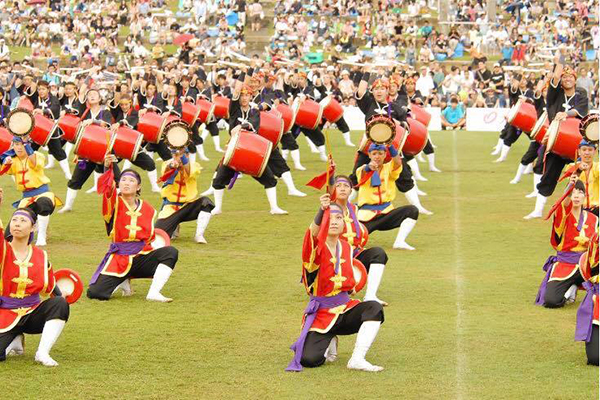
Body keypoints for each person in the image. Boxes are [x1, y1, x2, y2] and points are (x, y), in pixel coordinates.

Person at [285, 202, 385, 372]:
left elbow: (350, 277)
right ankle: (329, 337)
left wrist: (351, 285)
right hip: (322, 314)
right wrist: (320, 211)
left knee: (374, 308)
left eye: (338, 218)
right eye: (329, 218)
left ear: (344, 223)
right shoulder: (315, 248)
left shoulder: (346, 246)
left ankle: (357, 358)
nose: (334, 221)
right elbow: (312, 236)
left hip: (345, 309)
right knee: (309, 359)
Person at [87, 155, 179, 302]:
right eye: (123, 180)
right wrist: (107, 166)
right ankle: (123, 280)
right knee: (96, 293)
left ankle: (154, 293)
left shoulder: (148, 209)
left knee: (170, 252)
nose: (126, 183)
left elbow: (151, 237)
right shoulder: (113, 203)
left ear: (139, 186)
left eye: (131, 180)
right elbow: (107, 189)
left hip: (142, 256)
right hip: (119, 258)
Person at [0, 196, 70, 367]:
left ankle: (42, 352)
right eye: (14, 220)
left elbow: (51, 285)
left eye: (23, 220)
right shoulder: (3, 249)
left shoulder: (41, 255)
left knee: (59, 303)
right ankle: (15, 338)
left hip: (32, 312)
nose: (17, 223)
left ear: (34, 227)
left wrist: (64, 297)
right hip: (5, 313)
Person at [525, 63, 589, 219]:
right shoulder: (555, 94)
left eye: (570, 77)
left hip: (576, 143)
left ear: (575, 80)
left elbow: (581, 109)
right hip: (557, 143)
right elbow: (555, 76)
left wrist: (566, 113)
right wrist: (559, 61)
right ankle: (538, 210)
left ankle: (582, 212)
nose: (567, 79)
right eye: (564, 77)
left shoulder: (581, 95)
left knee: (582, 178)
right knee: (549, 176)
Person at [319, 174, 390, 305]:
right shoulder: (328, 208)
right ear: (333, 189)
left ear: (351, 190)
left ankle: (370, 296)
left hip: (354, 254)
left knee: (378, 253)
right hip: (334, 257)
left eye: (346, 186)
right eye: (338, 186)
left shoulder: (354, 208)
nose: (342, 188)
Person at [534, 180, 598, 308]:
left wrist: (589, 243)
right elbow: (564, 205)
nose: (575, 196)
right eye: (572, 193)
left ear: (584, 196)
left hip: (587, 265)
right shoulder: (562, 216)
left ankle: (578, 284)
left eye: (580, 192)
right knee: (551, 301)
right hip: (565, 265)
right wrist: (570, 186)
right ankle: (571, 287)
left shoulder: (594, 219)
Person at [355, 144, 419, 250]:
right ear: (369, 155)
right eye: (374, 154)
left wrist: (390, 147)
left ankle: (399, 242)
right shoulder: (362, 169)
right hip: (366, 216)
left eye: (380, 153)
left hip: (387, 212)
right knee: (354, 238)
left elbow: (398, 163)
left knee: (412, 210)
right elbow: (362, 173)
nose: (377, 156)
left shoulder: (388, 168)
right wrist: (368, 167)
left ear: (385, 155)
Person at [0, 137, 62, 246]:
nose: (19, 148)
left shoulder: (37, 155)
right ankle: (36, 224)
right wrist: (6, 163)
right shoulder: (12, 160)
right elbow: (2, 172)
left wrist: (27, 145)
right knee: (9, 235)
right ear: (12, 146)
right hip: (26, 198)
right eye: (16, 144)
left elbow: (33, 163)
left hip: (43, 193)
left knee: (44, 204)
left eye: (22, 145)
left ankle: (42, 237)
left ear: (28, 145)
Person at [155, 150, 214, 243]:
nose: (180, 157)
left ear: (188, 155)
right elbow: (166, 171)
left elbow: (189, 171)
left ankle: (199, 235)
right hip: (170, 206)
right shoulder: (166, 164)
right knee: (158, 234)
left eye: (184, 154)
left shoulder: (194, 165)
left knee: (205, 202)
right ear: (173, 155)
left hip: (188, 206)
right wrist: (172, 165)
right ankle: (175, 225)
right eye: (176, 154)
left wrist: (181, 158)